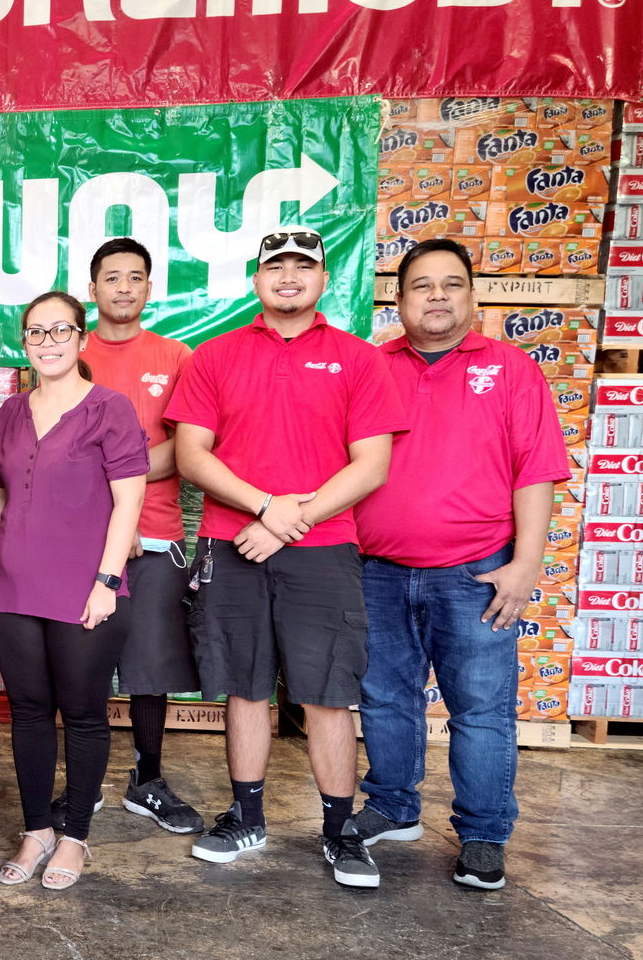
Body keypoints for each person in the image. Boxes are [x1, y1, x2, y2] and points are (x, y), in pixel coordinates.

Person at [166, 227, 405, 888]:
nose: (290, 277)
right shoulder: (213, 357)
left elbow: (373, 465)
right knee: (244, 686)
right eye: (277, 267)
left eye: (305, 266)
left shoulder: (360, 359)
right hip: (231, 544)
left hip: (323, 551)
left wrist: (289, 518)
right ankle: (245, 816)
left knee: (328, 694)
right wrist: (266, 505)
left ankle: (339, 830)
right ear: (257, 280)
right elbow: (192, 455)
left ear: (325, 280)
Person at [351, 238, 567, 890]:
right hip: (378, 570)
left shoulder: (510, 370)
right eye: (422, 285)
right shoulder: (371, 366)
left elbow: (536, 472)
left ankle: (482, 833)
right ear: (400, 299)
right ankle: (392, 805)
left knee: (481, 709)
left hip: (476, 572)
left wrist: (525, 563)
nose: (437, 296)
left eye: (451, 284)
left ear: (472, 297)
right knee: (385, 699)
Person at [0, 291, 149, 891]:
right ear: (24, 343)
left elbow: (129, 498)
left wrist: (107, 581)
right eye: (36, 332)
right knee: (28, 713)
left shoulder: (110, 409)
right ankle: (37, 830)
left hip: (87, 586)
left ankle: (74, 835)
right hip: (13, 584)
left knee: (81, 716)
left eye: (60, 331)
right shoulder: (9, 412)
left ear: (82, 340)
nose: (48, 342)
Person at [70, 237, 205, 835]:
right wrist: (106, 510)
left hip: (155, 536)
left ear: (150, 289)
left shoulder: (177, 356)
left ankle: (147, 780)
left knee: (151, 667)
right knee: (79, 664)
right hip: (76, 537)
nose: (123, 287)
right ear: (92, 288)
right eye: (111, 277)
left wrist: (123, 480)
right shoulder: (70, 354)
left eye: (135, 277)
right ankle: (80, 782)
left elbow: (188, 445)